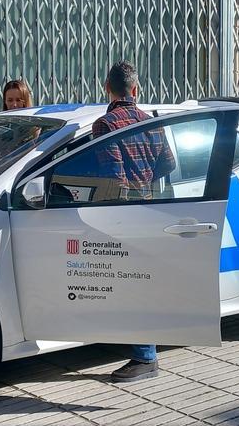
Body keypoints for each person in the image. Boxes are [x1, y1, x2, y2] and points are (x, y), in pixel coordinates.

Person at [91, 60, 175, 382]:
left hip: (122, 213)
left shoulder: (105, 125)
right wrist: (146, 185)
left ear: (107, 88)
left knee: (132, 286)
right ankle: (141, 349)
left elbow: (113, 176)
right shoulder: (152, 122)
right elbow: (168, 163)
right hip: (150, 209)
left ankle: (145, 357)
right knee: (139, 283)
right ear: (136, 90)